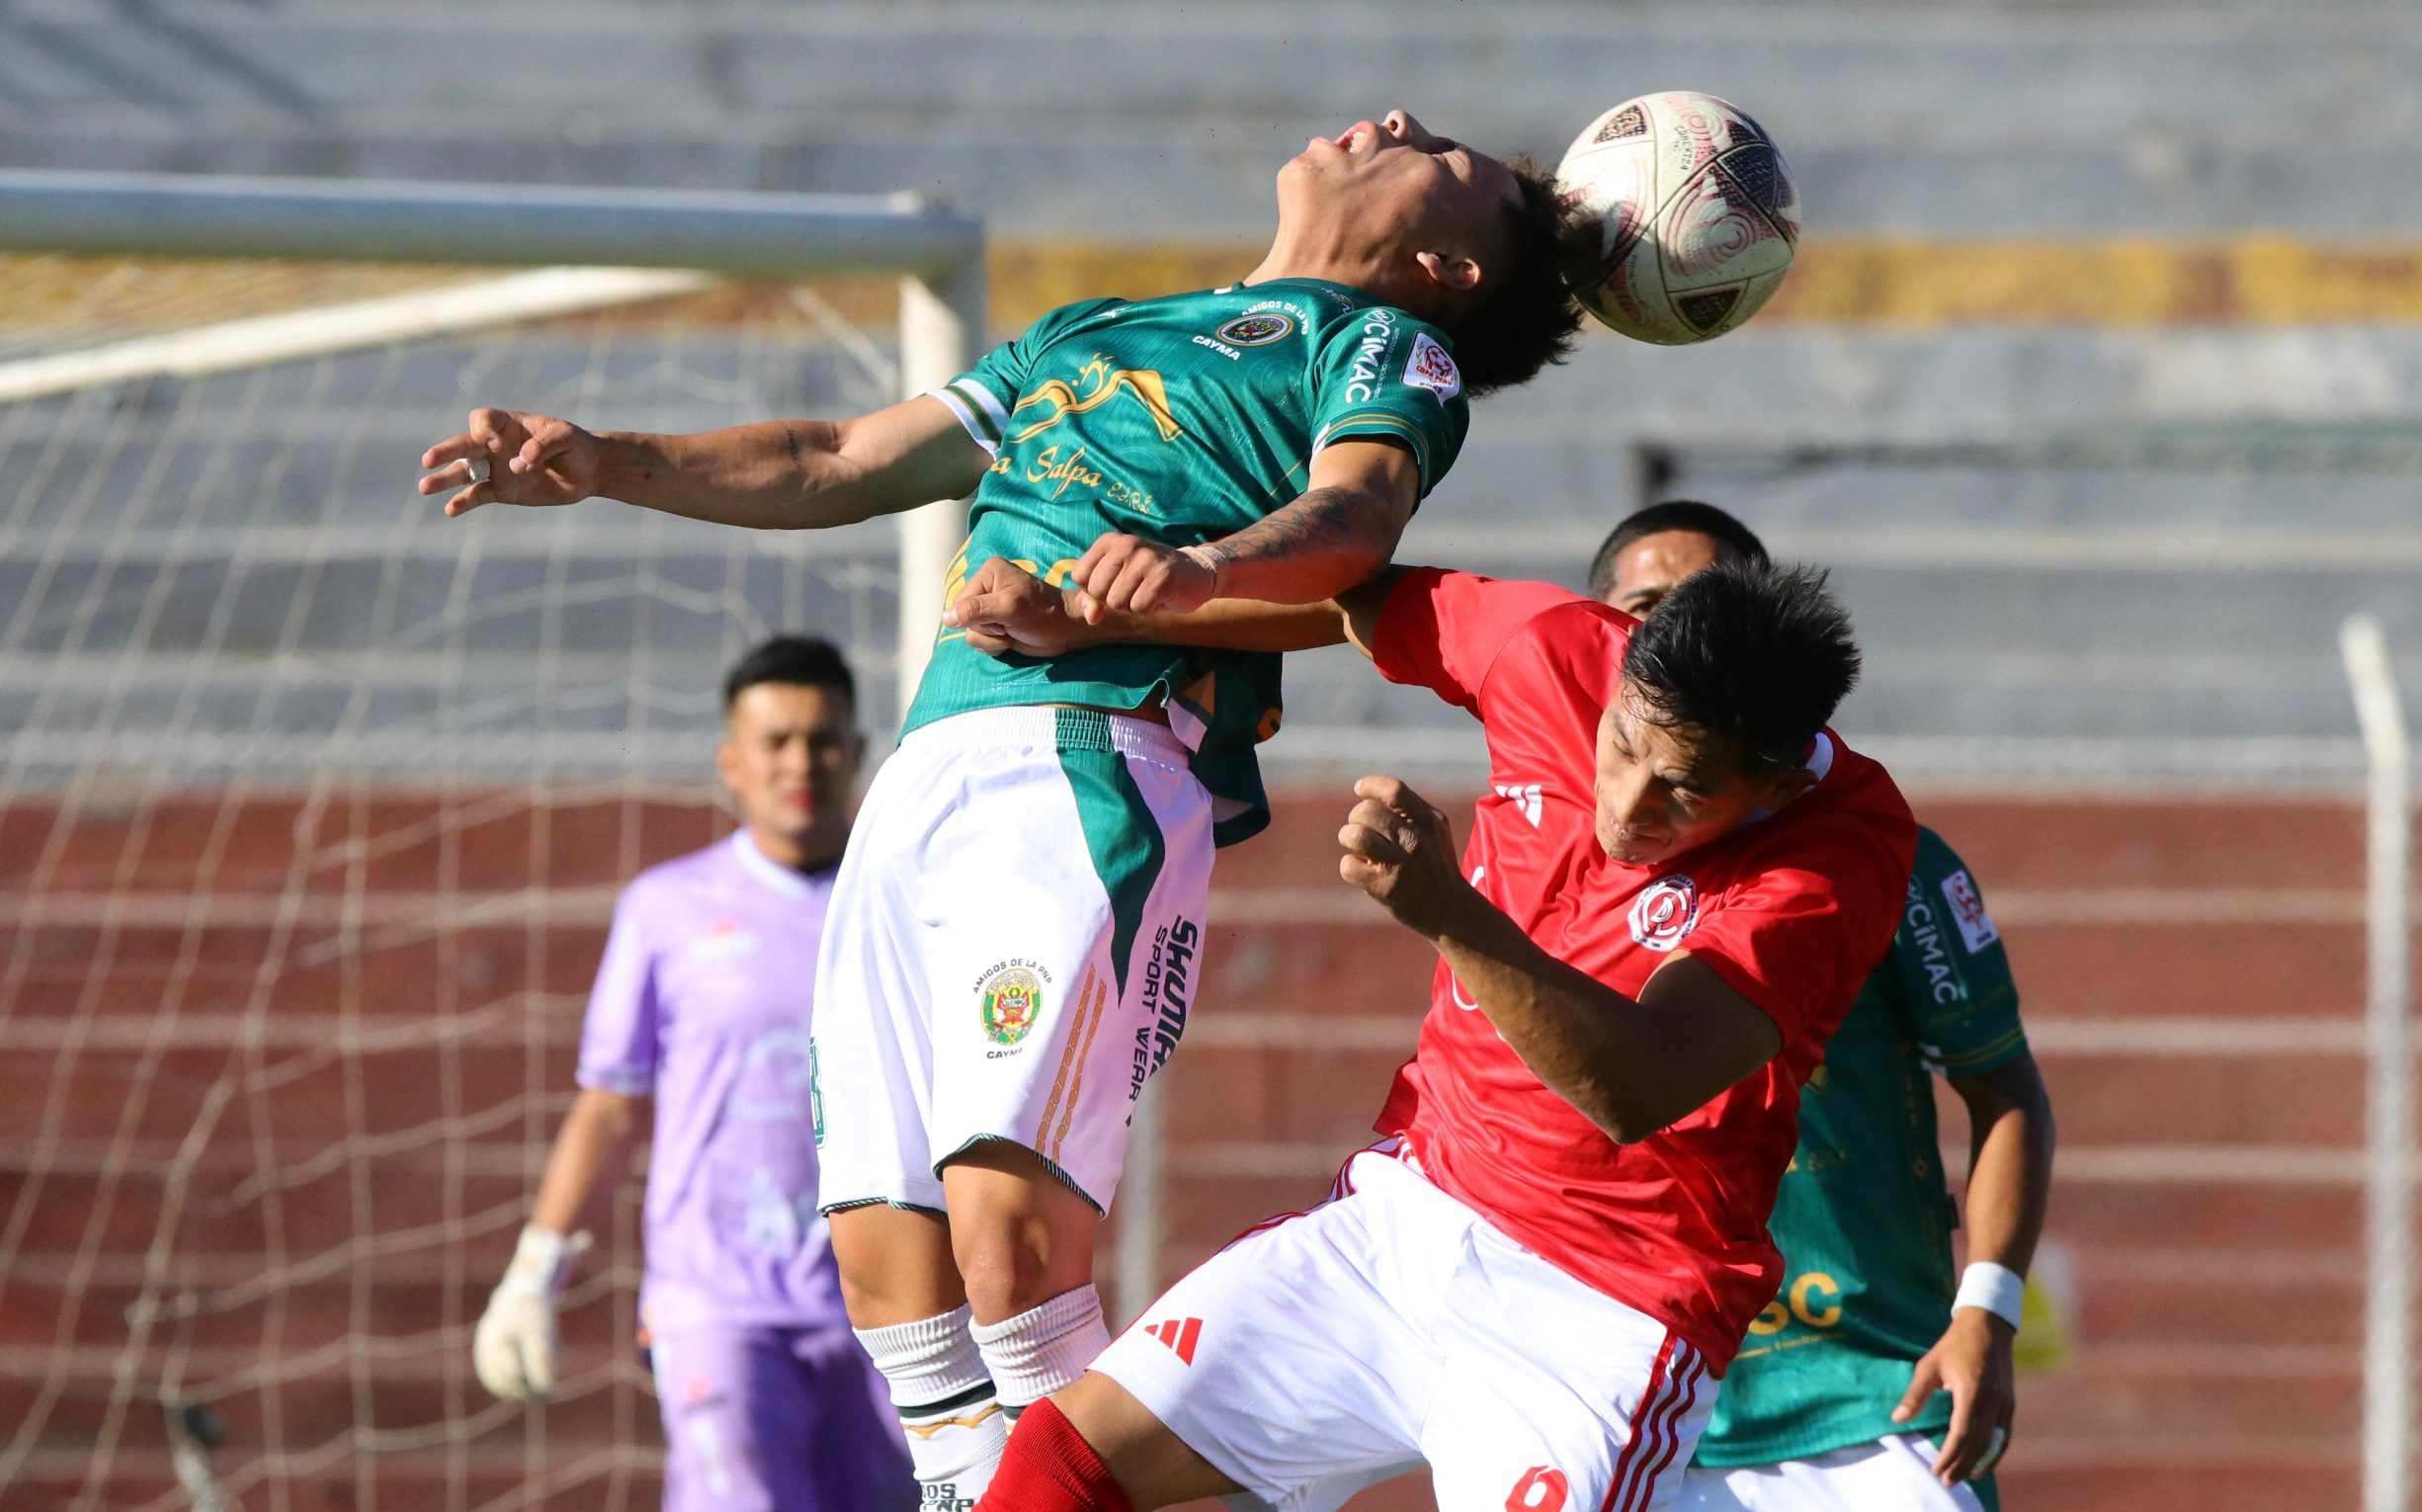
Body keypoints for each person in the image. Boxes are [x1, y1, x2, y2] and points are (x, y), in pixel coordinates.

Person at [423, 108, 1587, 1508]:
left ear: (1448, 268)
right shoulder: (1090, 325)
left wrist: (1189, 568)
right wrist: (610, 459)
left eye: (1445, 153)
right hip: (927, 767)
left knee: (1008, 1235)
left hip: (1094, 764)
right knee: (882, 1253)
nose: (1395, 120)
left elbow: (1355, 527)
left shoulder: (1385, 350)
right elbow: (842, 458)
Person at [943, 555, 1914, 1512]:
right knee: (1067, 1457)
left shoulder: (1839, 853)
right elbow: (1348, 592)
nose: (1628, 806)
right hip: (1407, 1217)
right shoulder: (1556, 649)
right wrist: (1084, 616)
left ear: (1776, 789)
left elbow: (1639, 1085)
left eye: (1686, 791)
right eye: (1622, 748)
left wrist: (1449, 911)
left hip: (1600, 1305)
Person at [1583, 502, 2059, 1512]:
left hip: (1869, 1404)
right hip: (1630, 1405)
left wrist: (1988, 1312)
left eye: (1701, 605)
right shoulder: (1549, 861)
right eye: (1642, 609)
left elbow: (2003, 1087)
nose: (1674, 634)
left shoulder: (1875, 866)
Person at [471, 636, 914, 1511]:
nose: (801, 763)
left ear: (857, 753)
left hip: (890, 1308)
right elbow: (608, 1109)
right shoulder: (664, 910)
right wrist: (534, 1273)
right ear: (731, 762)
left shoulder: (910, 903)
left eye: (822, 740)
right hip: (717, 1303)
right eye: (776, 741)